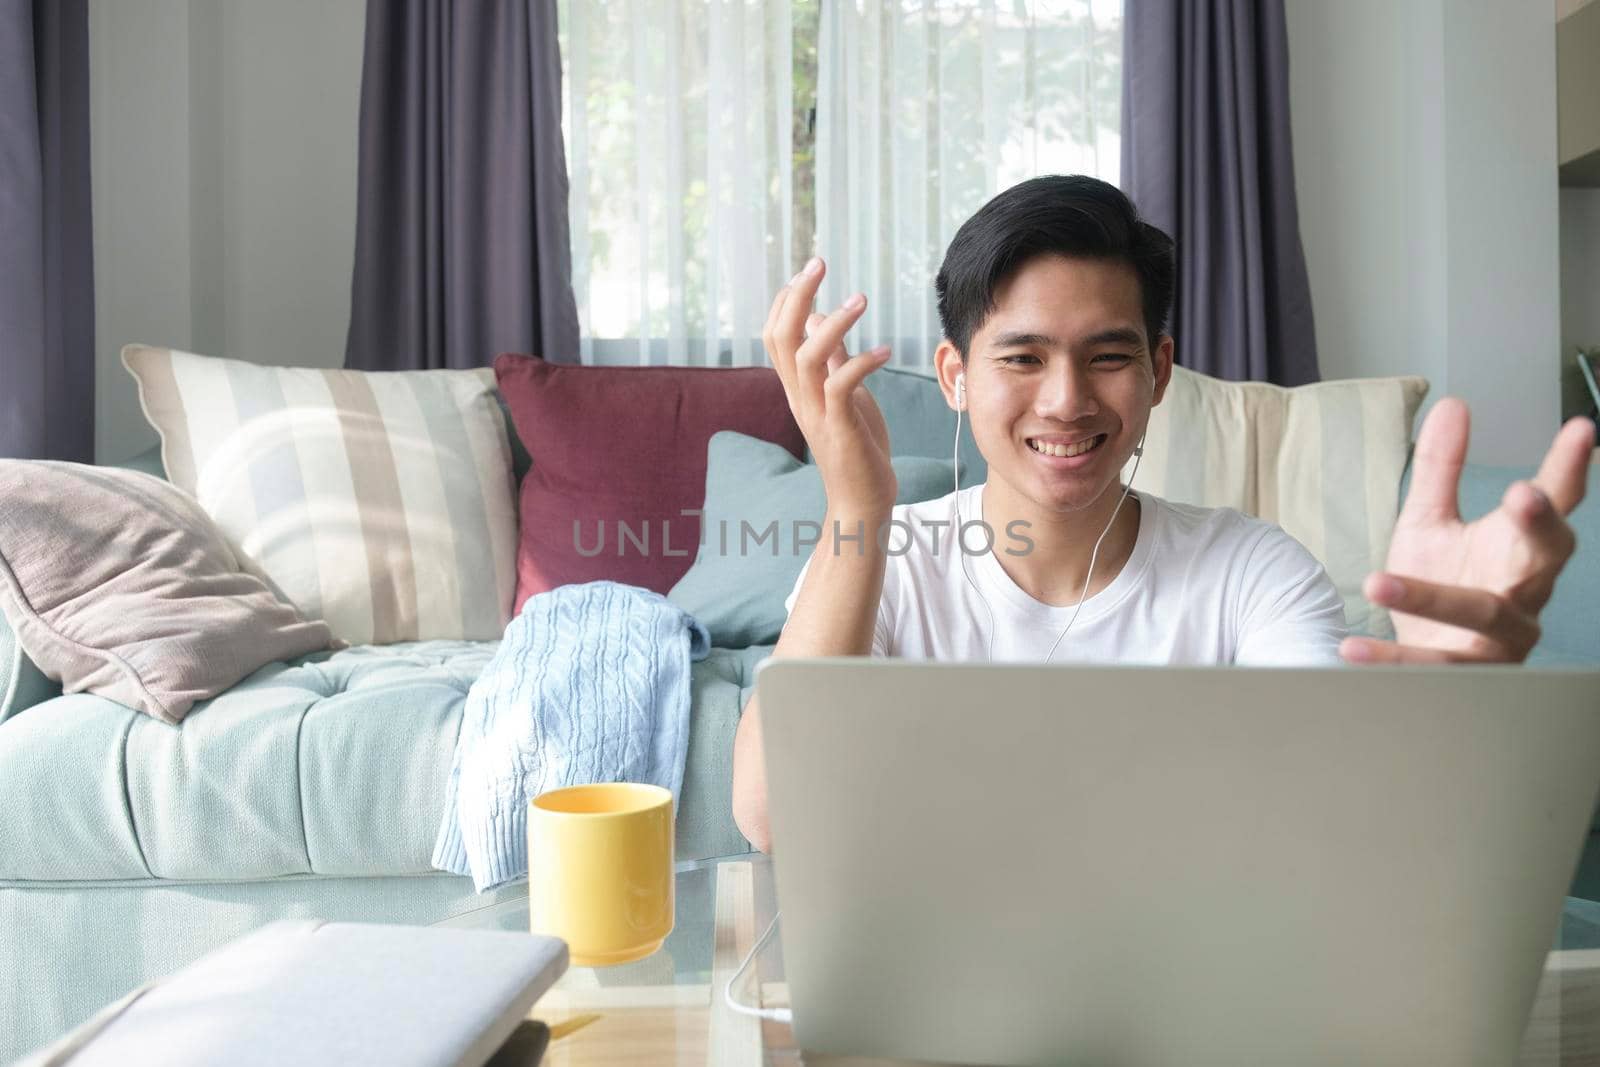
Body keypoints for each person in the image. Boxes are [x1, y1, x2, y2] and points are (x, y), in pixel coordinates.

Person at [731, 175, 1594, 854]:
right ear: (955, 376)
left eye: (1108, 356)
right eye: (1023, 357)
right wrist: (856, 504)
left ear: (1160, 370)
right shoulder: (879, 557)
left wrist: (1444, 710)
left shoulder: (1253, 572)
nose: (1066, 401)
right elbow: (774, 820)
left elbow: (1331, 813)